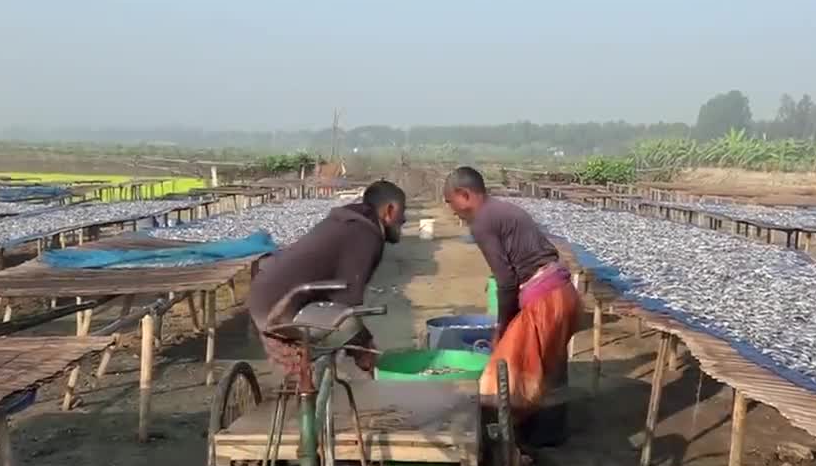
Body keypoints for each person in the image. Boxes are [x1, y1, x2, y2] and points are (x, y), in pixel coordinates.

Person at [442, 166, 579, 448]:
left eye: (450, 202)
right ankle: (549, 433)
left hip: (545, 300)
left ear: (464, 194)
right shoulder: (504, 210)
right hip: (563, 293)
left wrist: (502, 327)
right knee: (548, 365)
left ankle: (519, 440)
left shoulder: (482, 221)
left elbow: (505, 282)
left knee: (505, 369)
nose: (452, 210)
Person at [248, 179, 406, 380]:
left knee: (322, 345)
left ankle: (306, 385)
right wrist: (364, 349)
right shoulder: (366, 235)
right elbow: (347, 303)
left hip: (266, 297)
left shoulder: (347, 220)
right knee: (345, 328)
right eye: (403, 212)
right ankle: (313, 390)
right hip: (281, 307)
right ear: (390, 210)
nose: (404, 219)